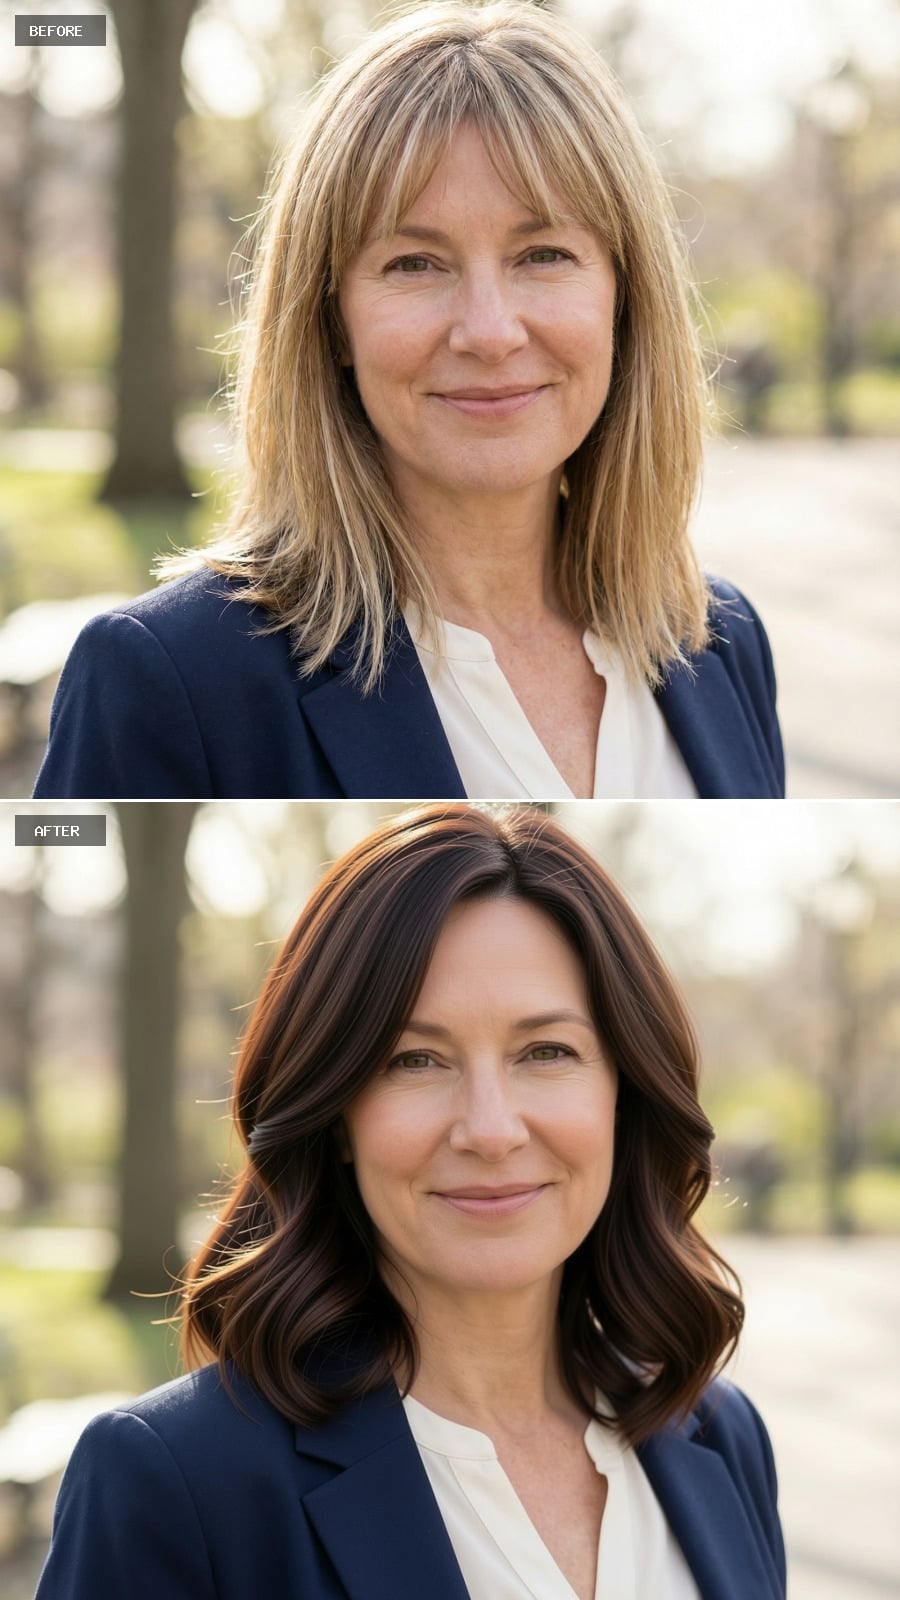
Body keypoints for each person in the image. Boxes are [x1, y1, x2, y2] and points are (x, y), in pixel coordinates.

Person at [34, 1, 783, 801]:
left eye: (544, 254)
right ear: (330, 318)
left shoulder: (721, 640)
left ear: (625, 299)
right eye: (415, 264)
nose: (490, 332)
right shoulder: (168, 677)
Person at [36, 804, 787, 1600]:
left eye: (546, 1052)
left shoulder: (719, 1435)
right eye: (414, 1060)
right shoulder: (176, 1481)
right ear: (335, 1115)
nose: (491, 1131)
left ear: (623, 1094)